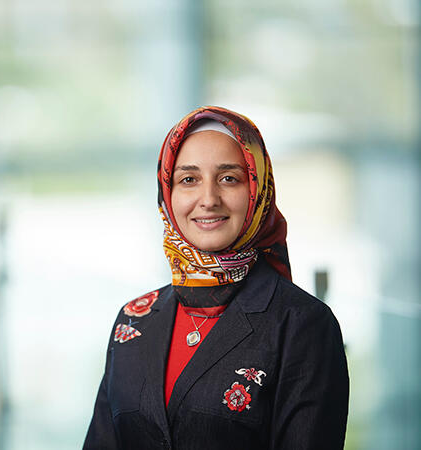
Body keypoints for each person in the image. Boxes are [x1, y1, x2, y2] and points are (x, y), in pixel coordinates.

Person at [83, 106, 349, 450]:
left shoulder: (302, 324)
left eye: (229, 178)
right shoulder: (135, 319)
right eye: (188, 180)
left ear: (258, 191)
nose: (208, 199)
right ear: (167, 193)